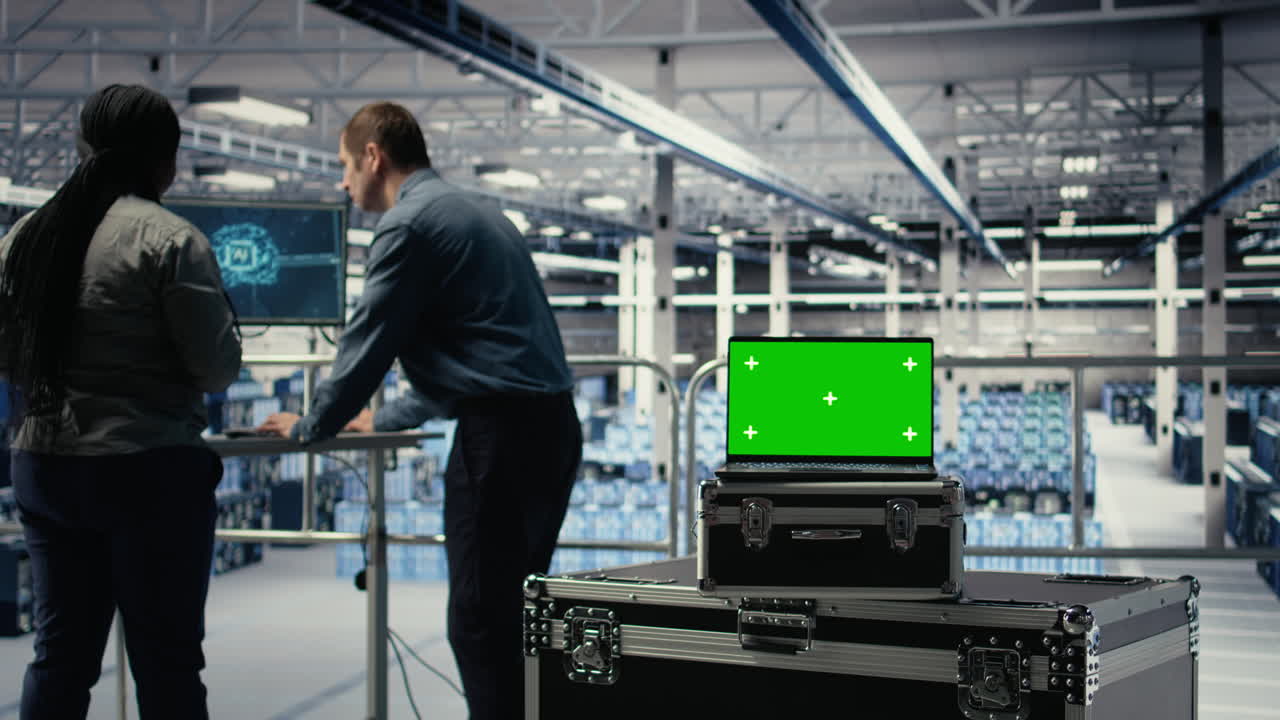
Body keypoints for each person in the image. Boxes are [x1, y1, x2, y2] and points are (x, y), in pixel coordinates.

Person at [257, 101, 582, 719]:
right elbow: (470, 356)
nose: (342, 182)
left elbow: (366, 343)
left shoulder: (407, 227)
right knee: (513, 618)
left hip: (501, 441)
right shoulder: (476, 211)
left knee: (480, 623)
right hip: (550, 431)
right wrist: (382, 419)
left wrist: (310, 426)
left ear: (373, 157)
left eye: (345, 167)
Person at [0, 84, 242, 719]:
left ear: (84, 150)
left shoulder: (26, 237)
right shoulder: (168, 240)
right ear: (166, 161)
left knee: (59, 658)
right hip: (148, 474)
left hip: (46, 469)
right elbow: (215, 368)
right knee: (166, 663)